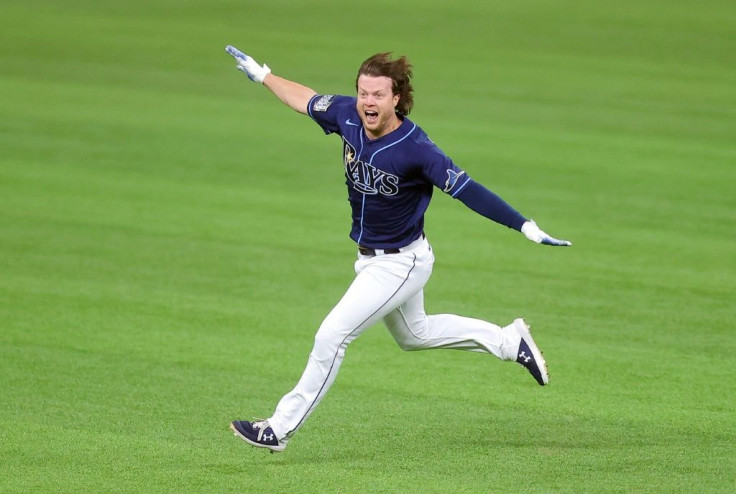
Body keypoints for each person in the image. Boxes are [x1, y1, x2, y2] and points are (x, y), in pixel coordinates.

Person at [224, 46, 572, 453]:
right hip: (371, 258)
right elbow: (304, 98)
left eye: (377, 95)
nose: (367, 102)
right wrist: (265, 75)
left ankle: (278, 429)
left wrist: (524, 225)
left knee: (331, 336)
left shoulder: (417, 148)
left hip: (400, 264)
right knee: (415, 335)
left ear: (396, 99)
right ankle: (509, 341)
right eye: (362, 93)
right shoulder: (346, 115)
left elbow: (469, 190)